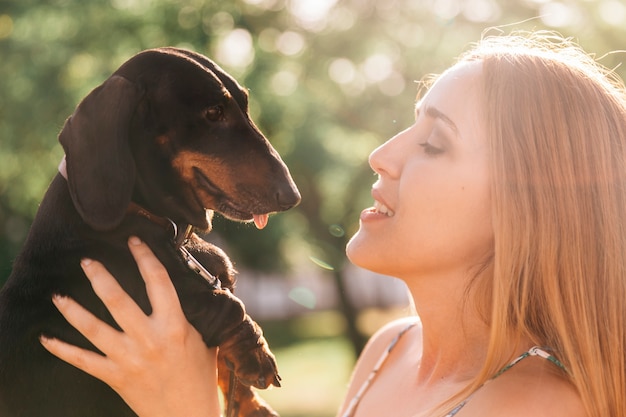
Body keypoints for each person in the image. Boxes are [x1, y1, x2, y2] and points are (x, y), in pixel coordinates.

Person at [40, 30, 626, 416]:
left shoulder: (537, 408)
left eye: (436, 143)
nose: (383, 154)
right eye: (410, 122)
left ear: (526, 206)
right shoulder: (389, 352)